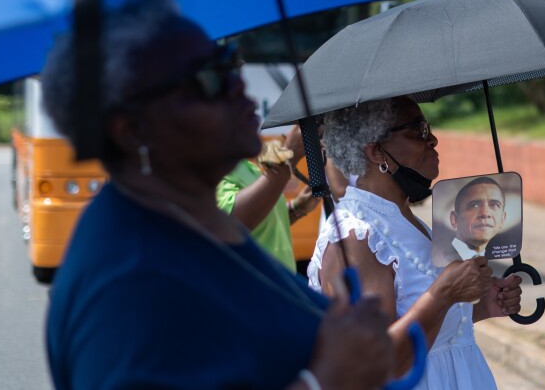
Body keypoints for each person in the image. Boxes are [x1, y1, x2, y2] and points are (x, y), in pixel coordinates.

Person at [42, 0, 393, 390]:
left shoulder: (182, 220)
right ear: (132, 130)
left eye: (230, 61)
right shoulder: (128, 285)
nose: (239, 86)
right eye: (211, 76)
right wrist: (325, 380)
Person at [308, 96, 523, 389]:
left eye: (428, 127)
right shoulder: (358, 237)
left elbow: (431, 330)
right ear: (376, 152)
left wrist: (481, 308)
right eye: (417, 129)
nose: (433, 139)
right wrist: (444, 294)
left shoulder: (402, 218)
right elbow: (379, 365)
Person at [217, 125, 320, 272]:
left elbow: (260, 223)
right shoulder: (210, 168)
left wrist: (296, 209)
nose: (253, 109)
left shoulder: (244, 165)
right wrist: (288, 159)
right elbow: (232, 223)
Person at [444, 176, 507, 262]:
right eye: (474, 205)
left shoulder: (496, 265)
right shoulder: (442, 259)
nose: (485, 213)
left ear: (503, 219)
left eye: (494, 205)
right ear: (454, 219)